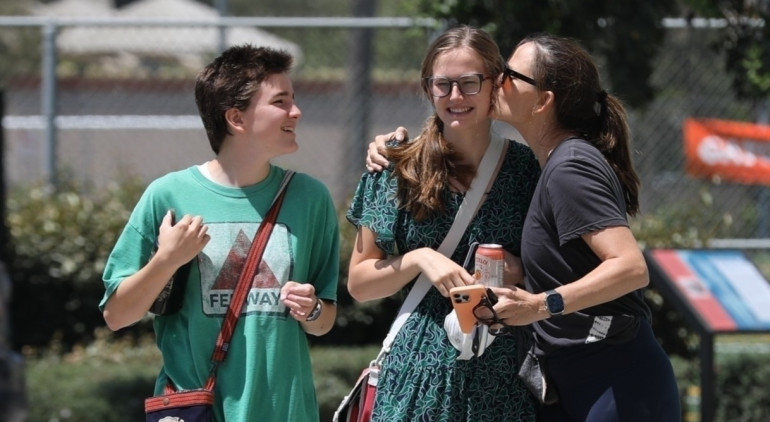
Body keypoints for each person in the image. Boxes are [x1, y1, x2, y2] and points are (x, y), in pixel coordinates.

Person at [367, 32, 681, 422]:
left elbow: (630, 268)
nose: (498, 80)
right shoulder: (550, 165)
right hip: (580, 378)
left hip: (612, 378)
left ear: (543, 101)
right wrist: (521, 270)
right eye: (441, 84)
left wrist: (540, 304)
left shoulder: (569, 165)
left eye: (511, 75)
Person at [99, 45, 340, 422]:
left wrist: (312, 310)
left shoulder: (310, 198)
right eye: (280, 101)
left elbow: (325, 321)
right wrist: (167, 260)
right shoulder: (168, 195)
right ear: (236, 118)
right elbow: (116, 314)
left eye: (294, 99)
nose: (296, 111)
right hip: (195, 411)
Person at [347, 25, 539, 421]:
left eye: (469, 83)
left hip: (502, 376)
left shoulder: (528, 170)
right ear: (427, 88)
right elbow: (360, 283)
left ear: (495, 86)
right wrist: (419, 259)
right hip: (415, 377)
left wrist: (518, 270)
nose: (455, 97)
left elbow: (558, 270)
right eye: (442, 84)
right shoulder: (396, 165)